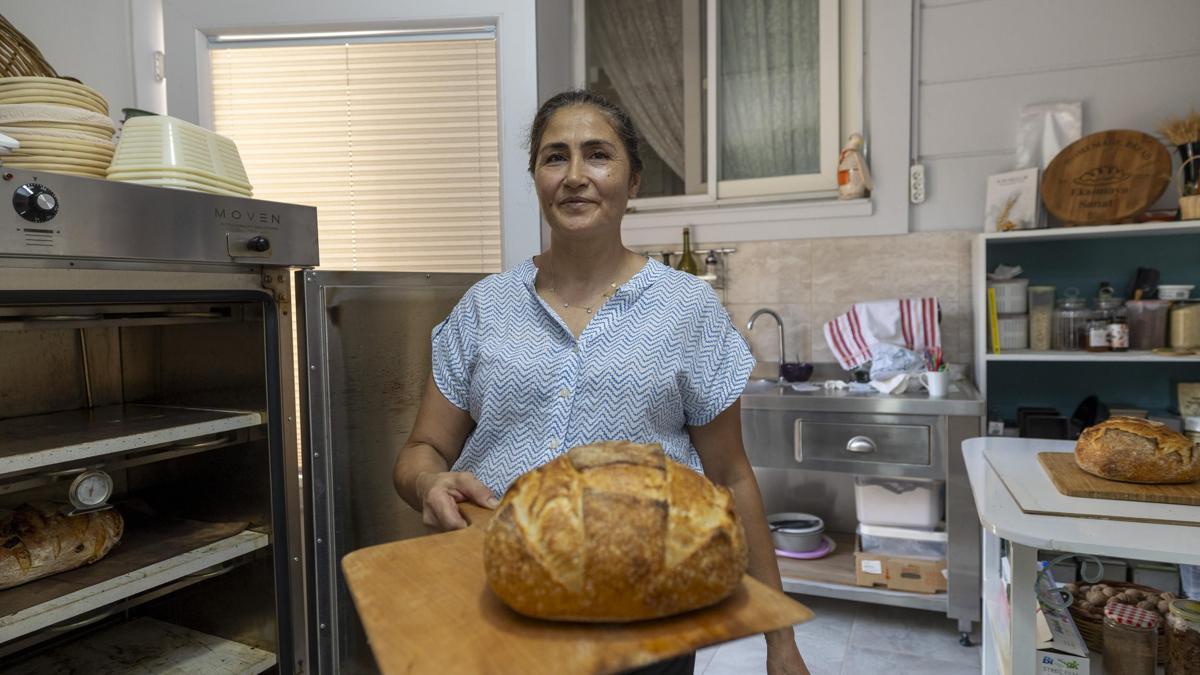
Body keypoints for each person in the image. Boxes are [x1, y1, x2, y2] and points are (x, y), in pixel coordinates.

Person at [393, 90, 809, 675]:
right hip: (494, 598)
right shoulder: (484, 307)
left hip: (643, 618)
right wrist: (428, 483)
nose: (575, 176)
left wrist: (780, 640)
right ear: (535, 177)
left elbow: (731, 476)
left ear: (633, 180)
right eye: (554, 157)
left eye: (598, 155)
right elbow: (421, 450)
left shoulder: (687, 308)